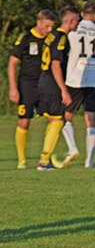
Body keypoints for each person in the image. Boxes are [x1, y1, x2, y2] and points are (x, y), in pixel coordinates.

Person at [62, 1, 95, 168]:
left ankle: (72, 148)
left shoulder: (72, 31)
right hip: (93, 81)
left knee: (66, 116)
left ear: (82, 14)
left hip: (74, 79)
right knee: (91, 120)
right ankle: (89, 161)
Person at [7, 10, 57, 169]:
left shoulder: (52, 40)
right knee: (24, 121)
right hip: (27, 86)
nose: (49, 30)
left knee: (54, 119)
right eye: (47, 26)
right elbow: (12, 63)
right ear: (38, 22)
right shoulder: (26, 39)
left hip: (47, 85)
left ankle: (47, 158)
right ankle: (22, 160)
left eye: (52, 26)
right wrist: (13, 88)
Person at [36, 6, 80, 170]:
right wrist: (64, 89)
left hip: (43, 80)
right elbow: (55, 64)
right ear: (71, 21)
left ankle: (45, 160)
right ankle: (44, 162)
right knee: (58, 121)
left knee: (53, 121)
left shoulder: (51, 35)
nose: (78, 24)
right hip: (52, 84)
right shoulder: (61, 37)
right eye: (77, 21)